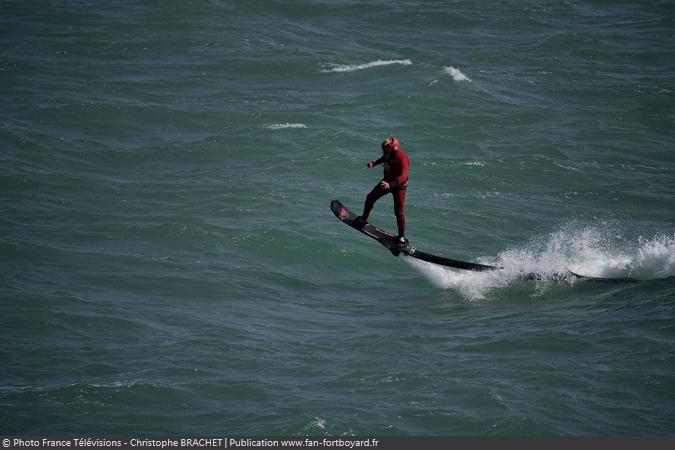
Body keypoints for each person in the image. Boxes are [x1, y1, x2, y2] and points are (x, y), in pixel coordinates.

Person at [355, 136, 410, 249]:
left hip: (399, 186)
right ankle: (364, 219)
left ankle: (402, 237)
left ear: (394, 149)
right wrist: (374, 163)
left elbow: (403, 176)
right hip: (387, 182)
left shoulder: (402, 158)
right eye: (384, 151)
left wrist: (391, 185)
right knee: (370, 197)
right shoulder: (388, 154)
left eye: (386, 151)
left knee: (399, 212)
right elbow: (384, 158)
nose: (384, 153)